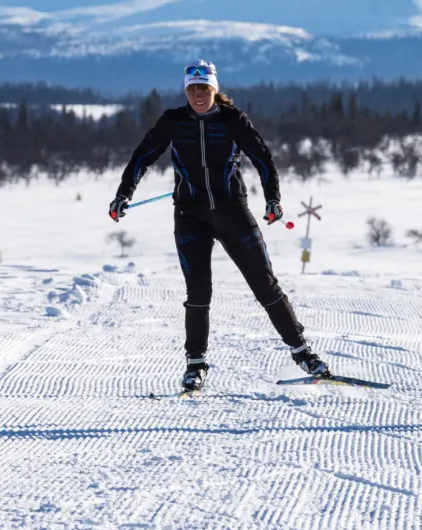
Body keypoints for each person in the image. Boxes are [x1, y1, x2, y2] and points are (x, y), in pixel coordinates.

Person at [108, 60, 330, 392]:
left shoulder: (232, 120)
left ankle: (304, 353)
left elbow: (263, 158)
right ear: (186, 90)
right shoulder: (173, 121)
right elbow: (142, 157)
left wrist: (272, 199)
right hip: (190, 215)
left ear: (215, 89)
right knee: (198, 292)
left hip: (232, 212)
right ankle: (195, 365)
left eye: (204, 88)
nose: (198, 95)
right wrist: (123, 194)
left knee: (264, 284)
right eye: (192, 89)